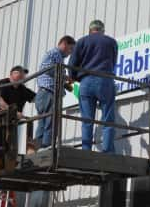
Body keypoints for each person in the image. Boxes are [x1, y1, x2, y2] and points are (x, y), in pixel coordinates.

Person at [69, 20, 118, 153]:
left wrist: (73, 77)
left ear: (90, 30)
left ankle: (86, 151)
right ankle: (108, 151)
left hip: (86, 81)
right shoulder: (111, 42)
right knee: (108, 120)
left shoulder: (82, 41)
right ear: (102, 30)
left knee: (87, 120)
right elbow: (113, 62)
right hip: (105, 80)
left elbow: (73, 63)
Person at [35, 35, 76, 149]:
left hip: (44, 92)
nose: (70, 52)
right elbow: (47, 69)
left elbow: (52, 72)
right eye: (70, 49)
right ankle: (47, 147)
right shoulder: (55, 54)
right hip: (49, 92)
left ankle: (38, 148)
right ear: (64, 44)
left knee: (43, 122)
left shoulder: (55, 55)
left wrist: (65, 82)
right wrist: (65, 77)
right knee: (50, 121)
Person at [0, 65, 36, 158]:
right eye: (18, 72)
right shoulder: (4, 83)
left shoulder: (22, 89)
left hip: (10, 121)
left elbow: (37, 98)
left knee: (28, 123)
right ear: (11, 75)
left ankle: (28, 148)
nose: (22, 75)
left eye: (23, 73)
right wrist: (13, 112)